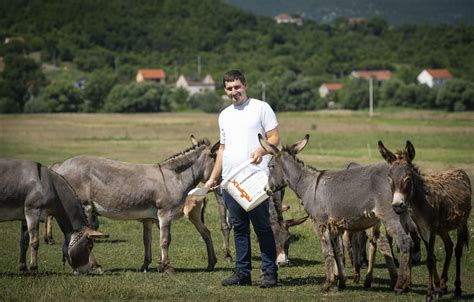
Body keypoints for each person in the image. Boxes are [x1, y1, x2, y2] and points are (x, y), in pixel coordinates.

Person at [205, 70, 280, 288]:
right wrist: (212, 178)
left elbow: (274, 137)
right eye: (229, 88)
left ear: (245, 85)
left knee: (262, 228)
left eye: (237, 87)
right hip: (230, 182)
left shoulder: (261, 108)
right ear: (225, 90)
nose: (233, 91)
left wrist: (261, 150)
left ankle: (269, 273)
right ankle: (242, 272)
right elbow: (223, 149)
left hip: (255, 179)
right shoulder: (224, 115)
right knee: (238, 228)